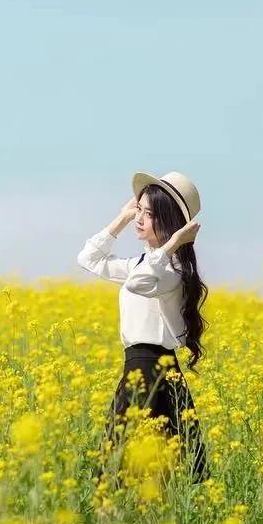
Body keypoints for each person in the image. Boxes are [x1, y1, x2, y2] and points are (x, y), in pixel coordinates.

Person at [76, 170, 211, 486]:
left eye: (148, 214)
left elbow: (138, 283)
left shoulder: (171, 270)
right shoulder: (144, 263)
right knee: (124, 464)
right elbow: (88, 259)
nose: (141, 219)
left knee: (143, 467)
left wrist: (173, 244)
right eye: (141, 210)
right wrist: (121, 218)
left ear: (167, 220)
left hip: (154, 369)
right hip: (139, 368)